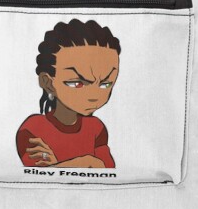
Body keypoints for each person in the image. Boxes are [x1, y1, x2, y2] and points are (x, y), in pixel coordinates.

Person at [15, 18, 120, 169]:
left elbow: (108, 170)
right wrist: (87, 162)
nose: (94, 95)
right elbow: (37, 173)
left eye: (105, 84)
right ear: (47, 82)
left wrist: (59, 165)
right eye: (77, 83)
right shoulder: (33, 128)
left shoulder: (96, 128)